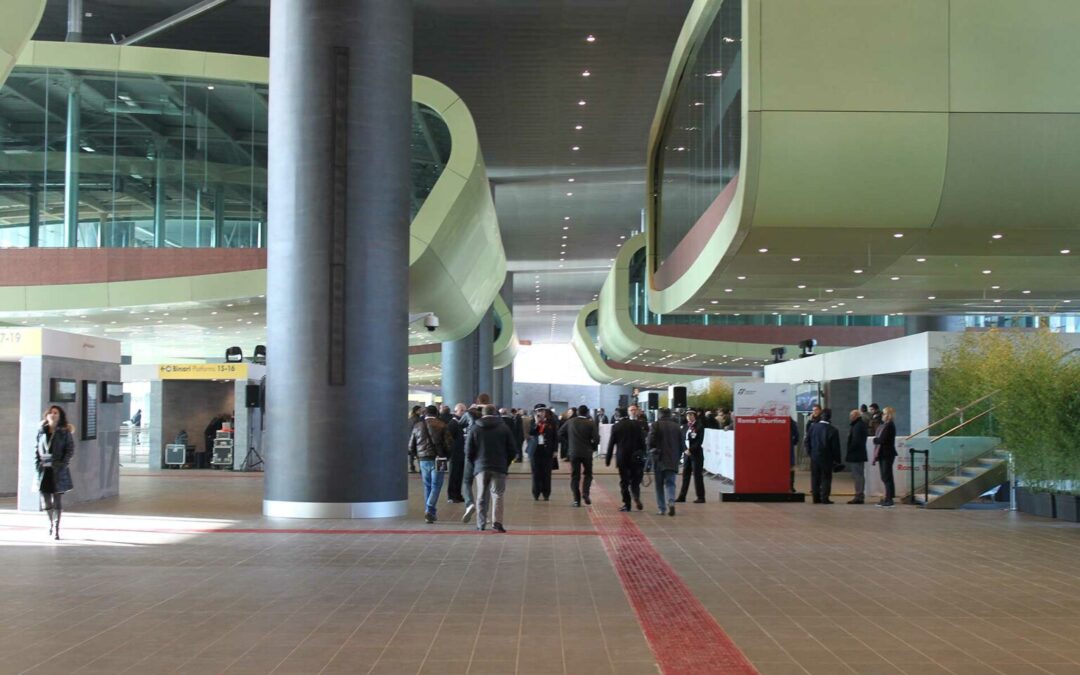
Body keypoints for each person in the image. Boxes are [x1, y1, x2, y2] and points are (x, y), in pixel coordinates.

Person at [465, 404, 517, 532]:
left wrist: (474, 463)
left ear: (482, 413)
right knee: (497, 494)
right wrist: (506, 463)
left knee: (481, 495)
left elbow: (468, 450)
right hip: (499, 466)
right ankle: (497, 522)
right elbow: (512, 449)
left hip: (481, 466)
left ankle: (481, 523)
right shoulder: (503, 428)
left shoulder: (475, 428)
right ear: (495, 413)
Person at [35, 405, 75, 540]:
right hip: (44, 470)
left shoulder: (64, 432)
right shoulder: (41, 431)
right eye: (51, 413)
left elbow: (70, 449)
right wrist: (37, 465)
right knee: (46, 501)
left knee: (57, 500)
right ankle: (50, 523)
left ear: (60, 416)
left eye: (56, 413)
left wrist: (62, 464)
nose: (53, 415)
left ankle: (57, 528)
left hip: (58, 470)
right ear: (46, 416)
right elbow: (36, 449)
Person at [409, 405, 453, 523]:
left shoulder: (417, 426)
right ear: (436, 413)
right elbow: (449, 444)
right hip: (439, 459)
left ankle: (430, 513)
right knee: (436, 485)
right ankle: (429, 508)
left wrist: (417, 456)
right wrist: (447, 456)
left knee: (427, 485)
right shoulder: (442, 425)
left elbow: (411, 446)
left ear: (425, 414)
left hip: (423, 460)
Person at [606, 407, 646, 511]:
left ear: (618, 415)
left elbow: (611, 444)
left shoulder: (616, 426)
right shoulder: (637, 424)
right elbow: (642, 441)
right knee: (635, 480)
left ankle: (627, 504)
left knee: (624, 482)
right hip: (635, 457)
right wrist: (644, 454)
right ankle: (636, 496)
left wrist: (608, 459)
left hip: (622, 457)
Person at [558, 405, 599, 507]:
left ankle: (576, 500)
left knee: (575, 476)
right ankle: (585, 493)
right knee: (588, 474)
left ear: (577, 412)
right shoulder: (590, 423)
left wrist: (569, 442)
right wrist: (592, 447)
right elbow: (597, 439)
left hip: (574, 452)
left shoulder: (570, 422)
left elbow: (560, 433)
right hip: (587, 452)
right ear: (587, 412)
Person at [647, 408, 682, 516]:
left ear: (660, 414)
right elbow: (681, 444)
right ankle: (671, 501)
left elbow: (650, 441)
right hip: (672, 459)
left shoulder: (655, 425)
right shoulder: (677, 426)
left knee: (659, 485)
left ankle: (662, 509)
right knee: (671, 483)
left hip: (659, 459)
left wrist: (650, 450)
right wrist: (678, 457)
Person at [808, 408, 841, 504]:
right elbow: (835, 447)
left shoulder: (813, 427)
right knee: (826, 478)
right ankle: (825, 498)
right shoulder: (833, 430)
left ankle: (815, 498)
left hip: (814, 456)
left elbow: (807, 441)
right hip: (827, 458)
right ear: (830, 417)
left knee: (815, 477)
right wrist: (837, 460)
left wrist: (811, 453)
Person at [676, 410, 706, 503]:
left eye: (691, 415)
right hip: (686, 455)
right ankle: (682, 496)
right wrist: (685, 449)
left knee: (697, 475)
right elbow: (682, 439)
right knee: (685, 475)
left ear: (694, 416)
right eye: (687, 415)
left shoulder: (699, 426)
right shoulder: (684, 427)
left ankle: (701, 496)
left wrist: (691, 450)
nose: (689, 416)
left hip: (696, 454)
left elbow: (699, 441)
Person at [529, 407, 558, 501]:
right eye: (538, 411)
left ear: (545, 412)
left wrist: (555, 450)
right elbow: (531, 433)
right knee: (536, 473)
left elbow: (555, 437)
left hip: (547, 450)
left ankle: (546, 493)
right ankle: (536, 493)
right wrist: (537, 423)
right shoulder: (532, 422)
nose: (540, 413)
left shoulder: (551, 422)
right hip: (535, 451)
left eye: (542, 411)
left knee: (547, 473)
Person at [872, 406, 898, 507]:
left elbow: (882, 440)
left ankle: (889, 499)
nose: (882, 415)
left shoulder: (889, 426)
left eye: (883, 413)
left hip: (887, 454)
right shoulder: (886, 425)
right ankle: (888, 497)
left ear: (888, 415)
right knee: (886, 476)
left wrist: (875, 440)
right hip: (884, 454)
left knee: (886, 476)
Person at [440, 405, 465, 503]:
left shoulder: (460, 423)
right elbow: (448, 441)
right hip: (455, 454)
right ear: (455, 411)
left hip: (460, 454)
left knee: (459, 475)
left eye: (464, 410)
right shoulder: (452, 424)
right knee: (454, 475)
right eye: (461, 410)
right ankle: (452, 495)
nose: (463, 412)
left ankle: (458, 494)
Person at [846, 409, 869, 504]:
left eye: (851, 415)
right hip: (859, 454)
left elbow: (856, 441)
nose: (850, 417)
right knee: (858, 475)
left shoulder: (858, 426)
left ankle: (859, 495)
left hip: (856, 454)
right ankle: (859, 495)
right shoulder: (859, 424)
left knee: (858, 475)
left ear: (856, 416)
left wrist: (850, 449)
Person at [407, 405, 422, 473]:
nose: (421, 411)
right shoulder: (418, 419)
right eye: (420, 410)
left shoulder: (410, 419)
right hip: (416, 438)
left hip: (410, 438)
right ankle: (421, 469)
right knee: (418, 454)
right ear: (417, 411)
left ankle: (412, 467)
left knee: (411, 454)